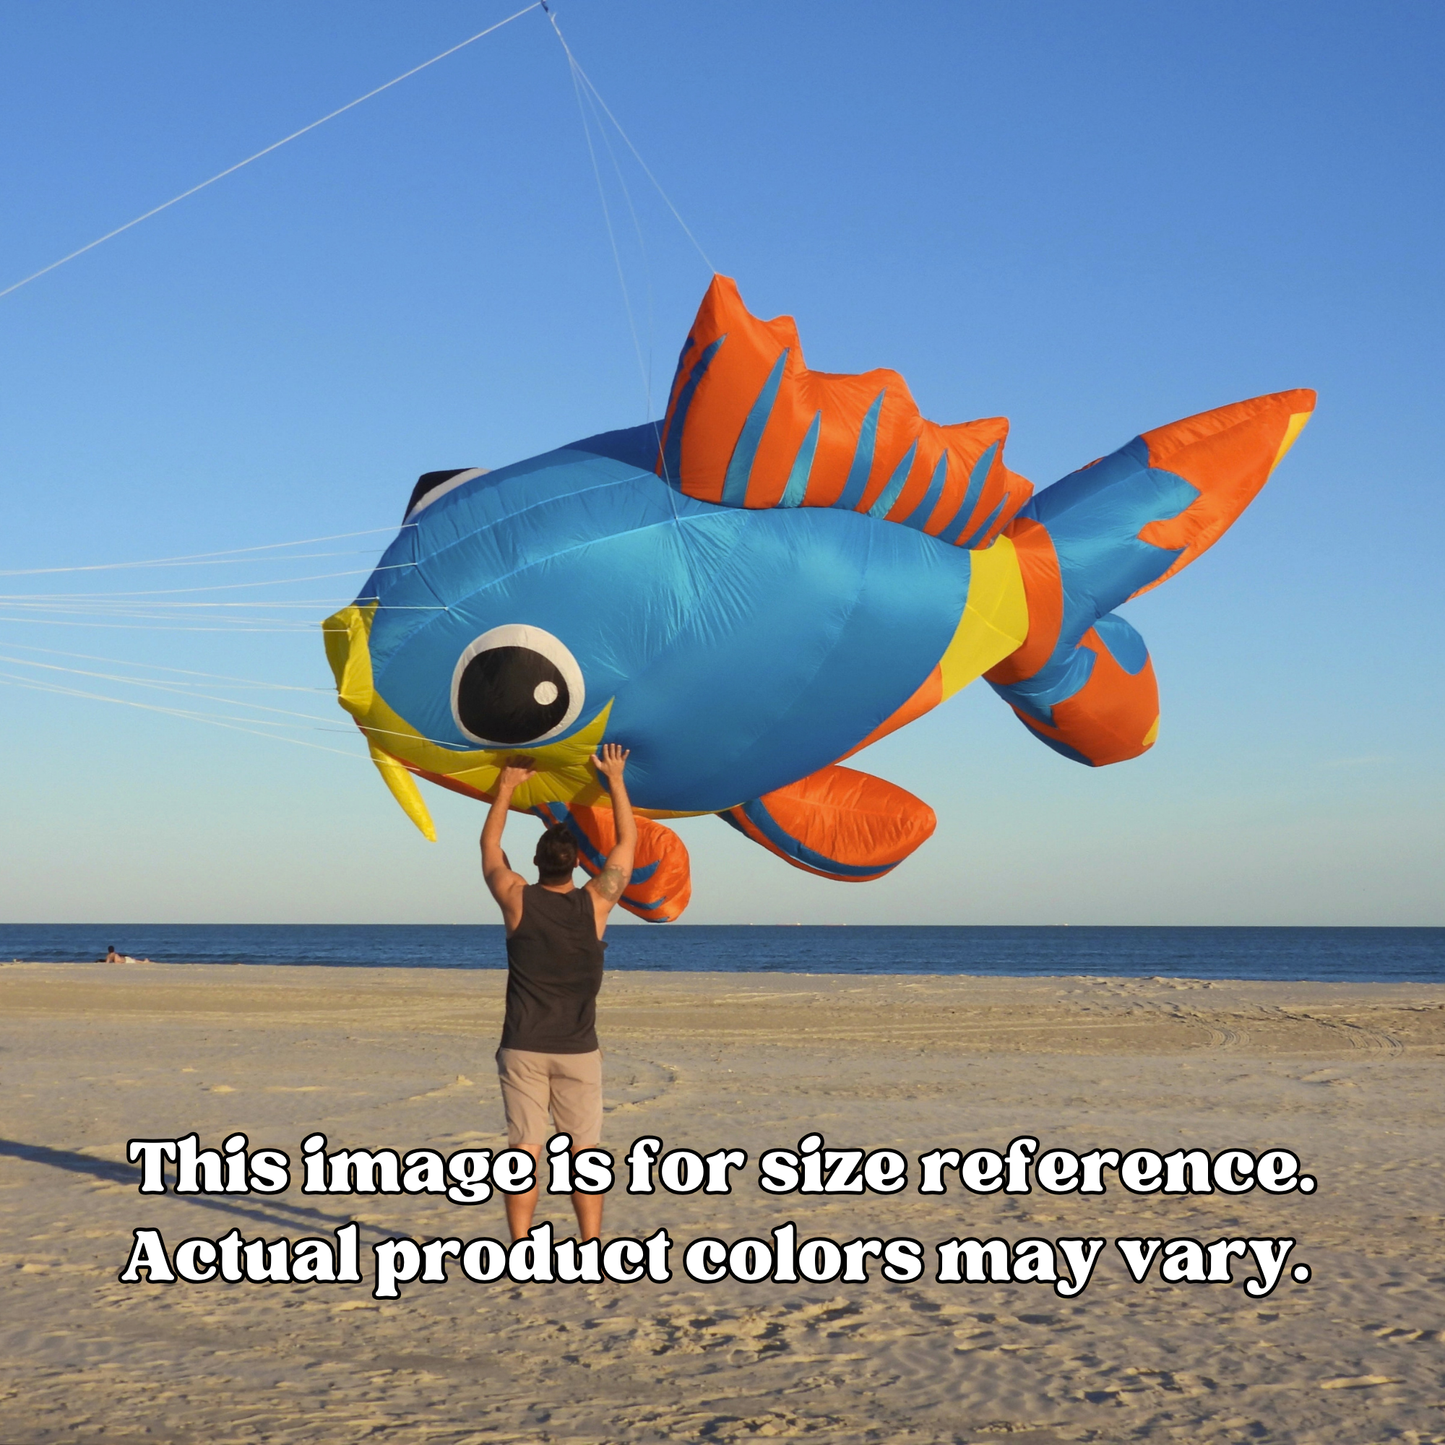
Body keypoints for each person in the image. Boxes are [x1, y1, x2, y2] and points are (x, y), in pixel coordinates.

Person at [480, 742, 636, 1243]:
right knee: (583, 1154)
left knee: (523, 1149)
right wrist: (614, 779)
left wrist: (505, 788)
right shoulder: (595, 903)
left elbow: (489, 850)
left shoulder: (516, 899)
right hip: (576, 1049)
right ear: (576, 866)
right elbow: (626, 847)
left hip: (523, 1046)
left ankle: (521, 1245)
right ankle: (590, 1245)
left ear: (537, 862)